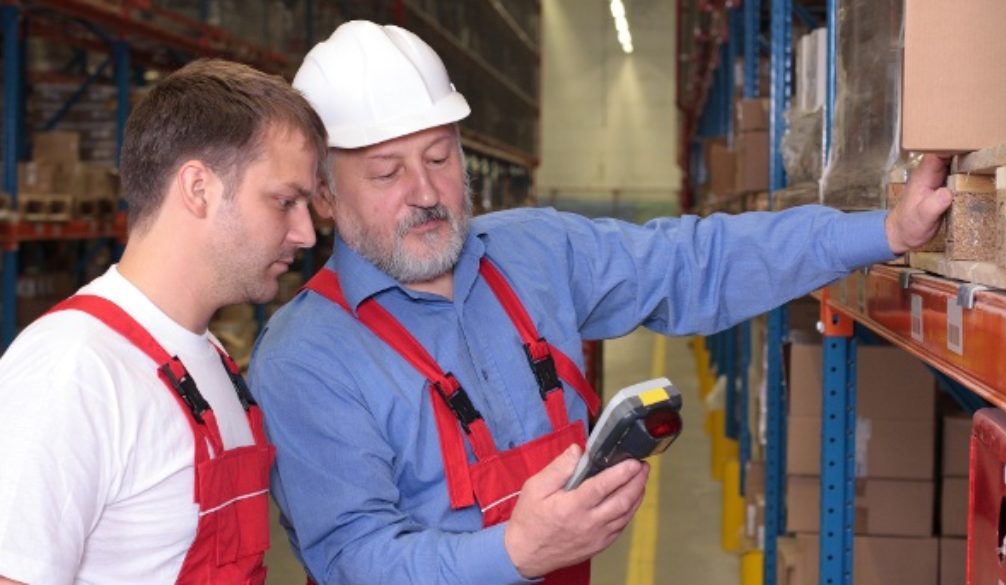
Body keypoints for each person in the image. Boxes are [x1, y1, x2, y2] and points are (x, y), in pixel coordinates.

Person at [247, 20, 952, 585]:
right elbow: (352, 558)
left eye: (439, 157)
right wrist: (516, 551)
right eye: (386, 172)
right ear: (327, 196)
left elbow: (696, 261)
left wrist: (883, 231)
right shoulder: (304, 356)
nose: (426, 192)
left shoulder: (534, 253)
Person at [0, 59, 327, 585]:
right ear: (198, 188)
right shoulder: (74, 370)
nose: (306, 233)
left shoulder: (210, 360)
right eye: (285, 201)